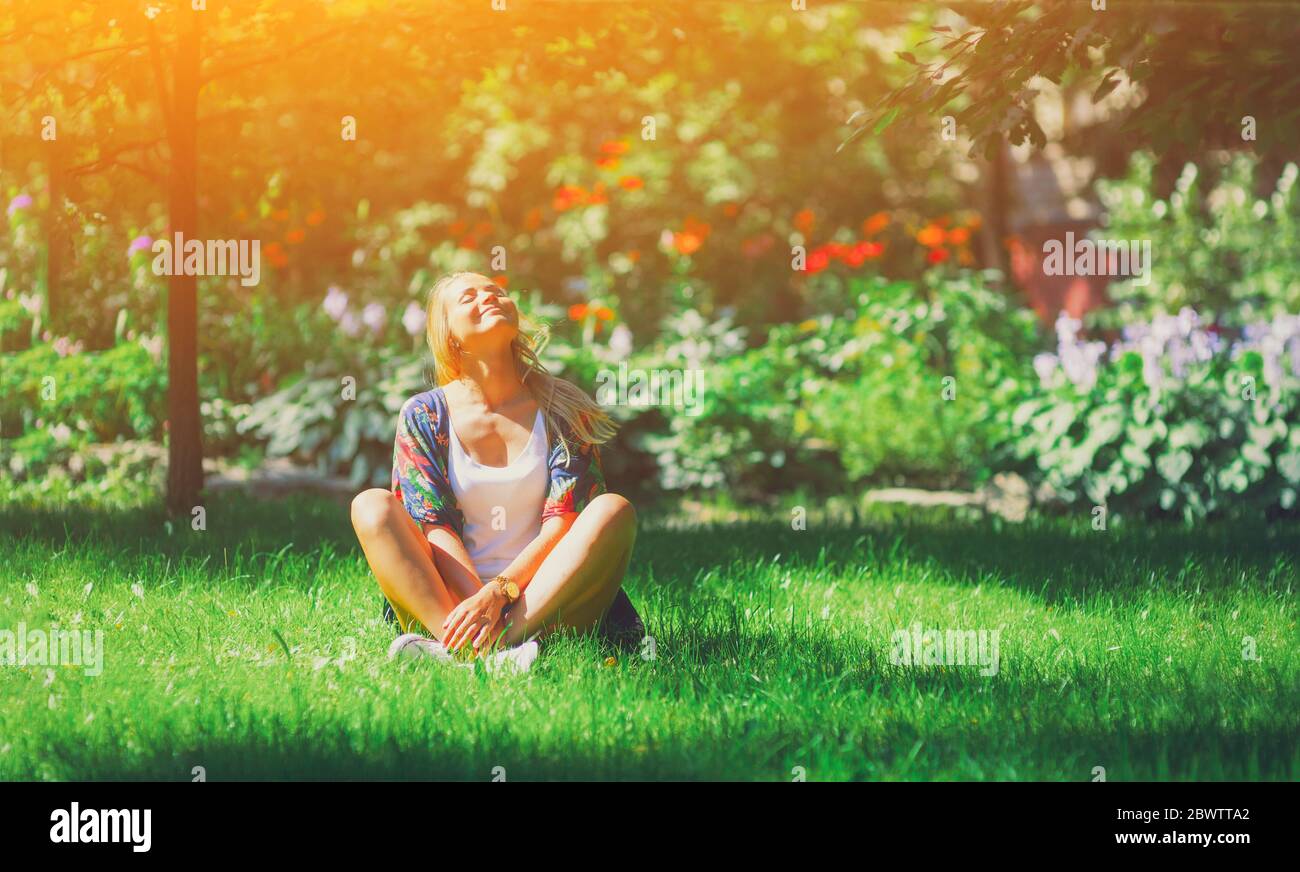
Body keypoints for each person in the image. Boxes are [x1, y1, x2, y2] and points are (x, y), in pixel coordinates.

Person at [350, 271, 642, 671]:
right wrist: (477, 602)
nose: (488, 298)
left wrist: (500, 595)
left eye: (495, 292)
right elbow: (435, 527)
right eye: (468, 297)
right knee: (371, 505)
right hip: (449, 602)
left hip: (545, 598)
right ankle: (474, 650)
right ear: (448, 333)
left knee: (613, 509)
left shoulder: (562, 407)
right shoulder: (424, 415)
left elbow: (564, 524)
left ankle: (484, 651)